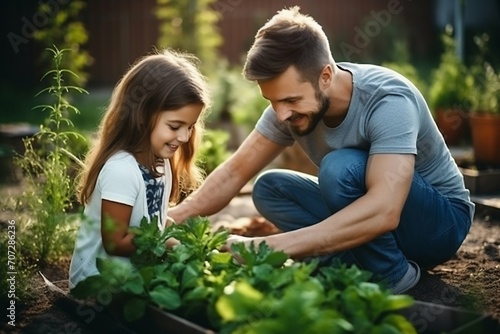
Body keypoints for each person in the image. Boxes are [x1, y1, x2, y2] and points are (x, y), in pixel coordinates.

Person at [169, 6, 474, 294]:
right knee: (269, 188)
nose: (281, 115)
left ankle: (394, 276)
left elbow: (384, 210)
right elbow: (236, 171)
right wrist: (172, 217)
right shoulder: (287, 108)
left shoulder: (387, 100)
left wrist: (270, 246)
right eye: (272, 102)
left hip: (439, 225)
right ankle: (350, 264)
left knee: (339, 169)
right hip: (385, 223)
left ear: (325, 76)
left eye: (290, 100)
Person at [69, 49, 211, 289]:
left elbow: (151, 221)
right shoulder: (121, 170)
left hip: (136, 272)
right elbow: (115, 242)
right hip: (99, 283)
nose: (185, 136)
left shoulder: (160, 162)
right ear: (143, 115)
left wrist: (184, 237)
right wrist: (167, 243)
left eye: (190, 126)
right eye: (175, 126)